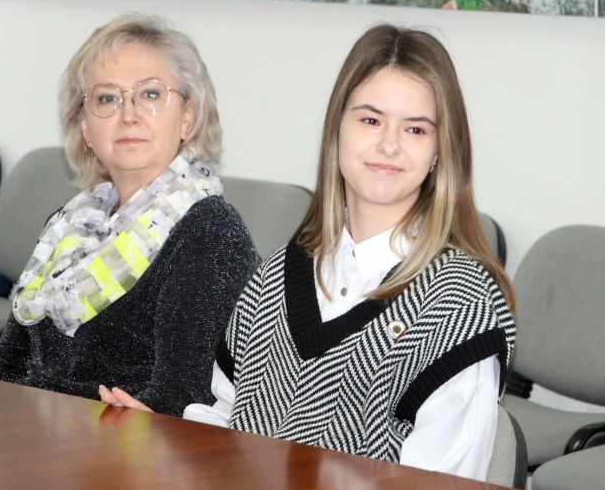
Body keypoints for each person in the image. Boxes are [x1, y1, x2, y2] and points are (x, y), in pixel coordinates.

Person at [183, 24, 516, 481]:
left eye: (415, 129)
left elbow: (437, 483)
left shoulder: (462, 302)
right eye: (370, 120)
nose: (389, 144)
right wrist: (168, 443)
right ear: (336, 131)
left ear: (440, 150)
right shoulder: (275, 274)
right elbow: (224, 421)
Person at [0, 14, 259, 417]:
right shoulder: (69, 227)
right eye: (107, 98)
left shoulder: (210, 233)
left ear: (187, 116)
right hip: (35, 429)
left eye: (151, 94)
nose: (128, 114)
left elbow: (180, 404)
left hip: (120, 446)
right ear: (85, 127)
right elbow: (6, 366)